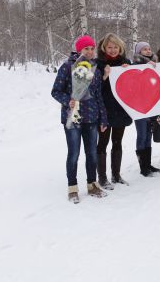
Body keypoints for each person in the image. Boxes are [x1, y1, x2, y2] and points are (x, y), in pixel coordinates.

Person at [51, 35, 108, 203]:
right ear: (78, 50)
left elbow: (98, 96)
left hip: (91, 117)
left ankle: (92, 184)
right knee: (74, 154)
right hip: (72, 118)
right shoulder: (67, 67)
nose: (90, 52)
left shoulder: (95, 69)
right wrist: (67, 101)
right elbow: (56, 91)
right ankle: (72, 188)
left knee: (91, 154)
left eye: (92, 48)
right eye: (86, 49)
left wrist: (103, 118)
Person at [95, 33, 133, 189]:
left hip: (120, 109)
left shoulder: (126, 63)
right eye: (109, 47)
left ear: (120, 48)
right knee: (102, 143)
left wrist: (128, 72)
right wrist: (104, 76)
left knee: (118, 142)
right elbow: (93, 89)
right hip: (104, 109)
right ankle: (102, 178)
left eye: (115, 47)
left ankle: (116, 175)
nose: (112, 50)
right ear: (104, 48)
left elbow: (133, 86)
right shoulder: (97, 64)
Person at [132, 41, 160, 177]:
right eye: (144, 49)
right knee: (142, 135)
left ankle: (148, 164)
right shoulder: (135, 65)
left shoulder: (155, 65)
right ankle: (142, 167)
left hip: (152, 106)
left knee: (149, 134)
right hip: (139, 107)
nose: (148, 51)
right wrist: (146, 67)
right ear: (139, 52)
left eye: (149, 48)